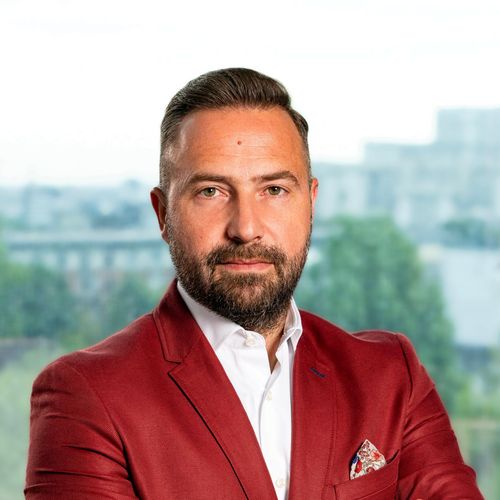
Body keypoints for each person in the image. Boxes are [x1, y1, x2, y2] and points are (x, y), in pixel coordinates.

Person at [25, 68, 483, 499]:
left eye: (274, 190)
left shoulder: (390, 375)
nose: (246, 228)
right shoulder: (86, 395)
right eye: (211, 191)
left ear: (311, 203)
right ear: (163, 214)